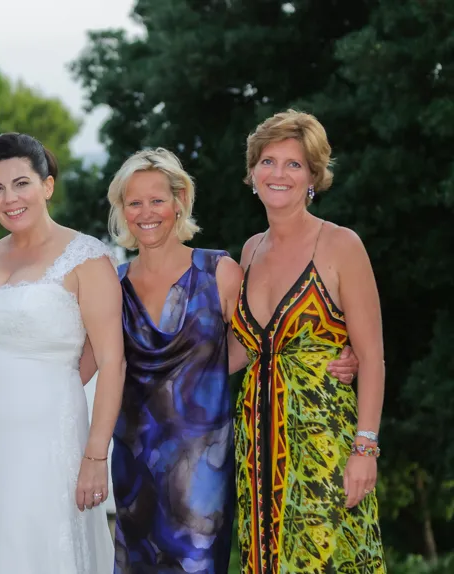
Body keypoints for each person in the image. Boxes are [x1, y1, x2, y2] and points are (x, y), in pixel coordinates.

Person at [97, 148, 360, 574]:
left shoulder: (218, 270)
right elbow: (91, 357)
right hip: (133, 460)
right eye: (134, 202)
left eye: (158, 199)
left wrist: (333, 355)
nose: (147, 212)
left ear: (180, 201)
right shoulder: (113, 281)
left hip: (204, 465)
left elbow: (263, 342)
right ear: (121, 209)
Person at [0, 132, 123, 574]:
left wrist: (95, 457)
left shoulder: (86, 258)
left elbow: (111, 361)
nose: (9, 198)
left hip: (47, 438)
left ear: (46, 185)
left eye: (21, 183)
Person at [230, 110, 385, 573]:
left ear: (313, 176)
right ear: (253, 173)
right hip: (256, 441)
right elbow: (244, 349)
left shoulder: (341, 245)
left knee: (322, 561)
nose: (279, 174)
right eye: (268, 161)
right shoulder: (250, 249)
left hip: (322, 443)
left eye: (294, 164)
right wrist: (162, 366)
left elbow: (373, 357)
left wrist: (365, 448)